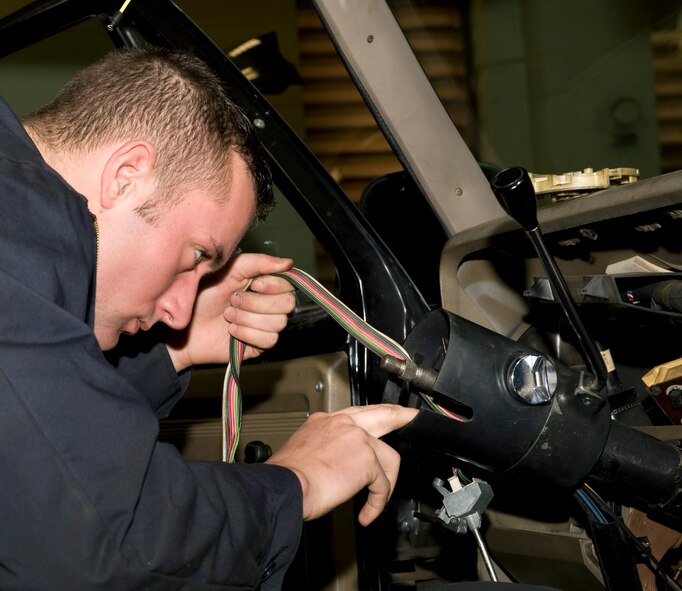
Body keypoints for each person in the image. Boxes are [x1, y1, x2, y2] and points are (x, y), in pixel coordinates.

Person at [0, 47, 417, 589]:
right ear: (126, 175)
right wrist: (298, 483)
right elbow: (104, 542)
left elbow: (37, 445)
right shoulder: (15, 226)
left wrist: (174, 348)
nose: (177, 308)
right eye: (197, 255)